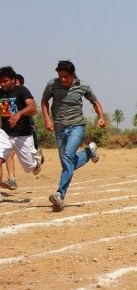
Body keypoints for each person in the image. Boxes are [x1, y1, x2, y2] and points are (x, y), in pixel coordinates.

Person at [41, 60, 106, 211]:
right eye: (60, 76)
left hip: (77, 126)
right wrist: (47, 119)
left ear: (73, 75)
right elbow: (44, 101)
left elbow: (95, 102)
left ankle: (60, 195)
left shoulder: (83, 86)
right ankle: (89, 152)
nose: (62, 80)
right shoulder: (52, 85)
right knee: (67, 163)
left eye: (66, 77)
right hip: (59, 128)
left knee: (68, 157)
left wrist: (101, 117)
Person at [0, 66, 42, 201]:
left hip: (23, 136)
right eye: (0, 81)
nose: (2, 84)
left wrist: (18, 114)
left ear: (13, 80)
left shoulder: (21, 91)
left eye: (5, 81)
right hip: (5, 133)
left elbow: (33, 108)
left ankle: (37, 161)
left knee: (29, 168)